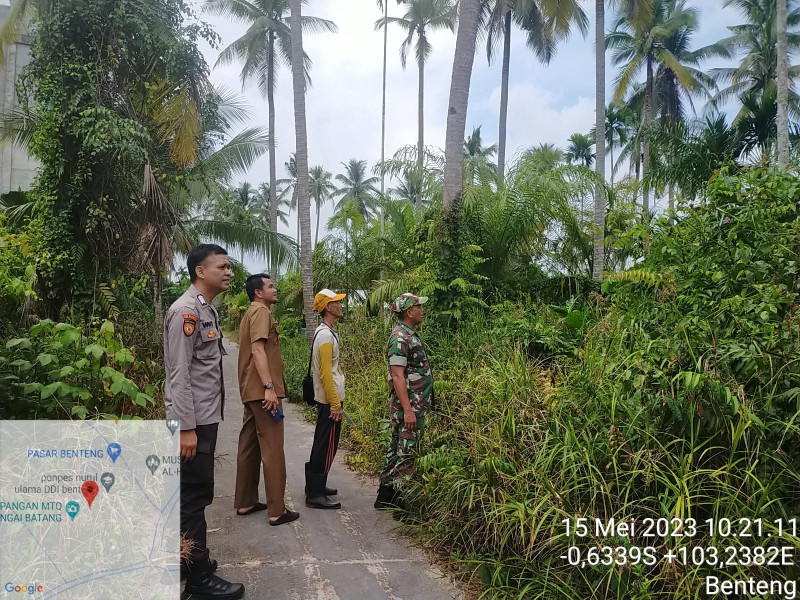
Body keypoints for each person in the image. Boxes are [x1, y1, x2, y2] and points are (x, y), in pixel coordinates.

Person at [164, 244, 245, 600]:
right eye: (222, 267)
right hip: (192, 422)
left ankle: (188, 560)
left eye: (228, 267)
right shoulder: (186, 311)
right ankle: (197, 580)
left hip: (204, 418)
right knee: (193, 496)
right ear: (200, 271)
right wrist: (185, 428)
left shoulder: (206, 309)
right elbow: (178, 374)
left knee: (196, 492)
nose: (228, 272)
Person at [233, 273, 299, 526]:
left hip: (251, 391)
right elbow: (258, 349)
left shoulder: (250, 312)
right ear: (258, 292)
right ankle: (277, 510)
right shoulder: (261, 312)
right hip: (263, 392)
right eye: (270, 286)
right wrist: (269, 387)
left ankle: (245, 501)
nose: (275, 289)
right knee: (272, 448)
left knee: (249, 446)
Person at [375, 293, 435, 510]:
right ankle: (402, 504)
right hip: (410, 406)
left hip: (413, 404)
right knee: (408, 451)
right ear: (409, 312)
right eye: (419, 307)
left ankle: (385, 497)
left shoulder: (408, 335)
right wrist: (408, 410)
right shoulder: (400, 338)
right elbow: (397, 376)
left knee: (396, 448)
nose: (422, 310)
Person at [305, 289, 347, 509]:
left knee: (322, 443)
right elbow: (325, 374)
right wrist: (335, 403)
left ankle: (315, 486)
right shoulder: (325, 336)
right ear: (328, 308)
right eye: (336, 302)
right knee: (327, 445)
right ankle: (315, 493)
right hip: (329, 400)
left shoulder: (327, 332)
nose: (340, 305)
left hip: (328, 398)